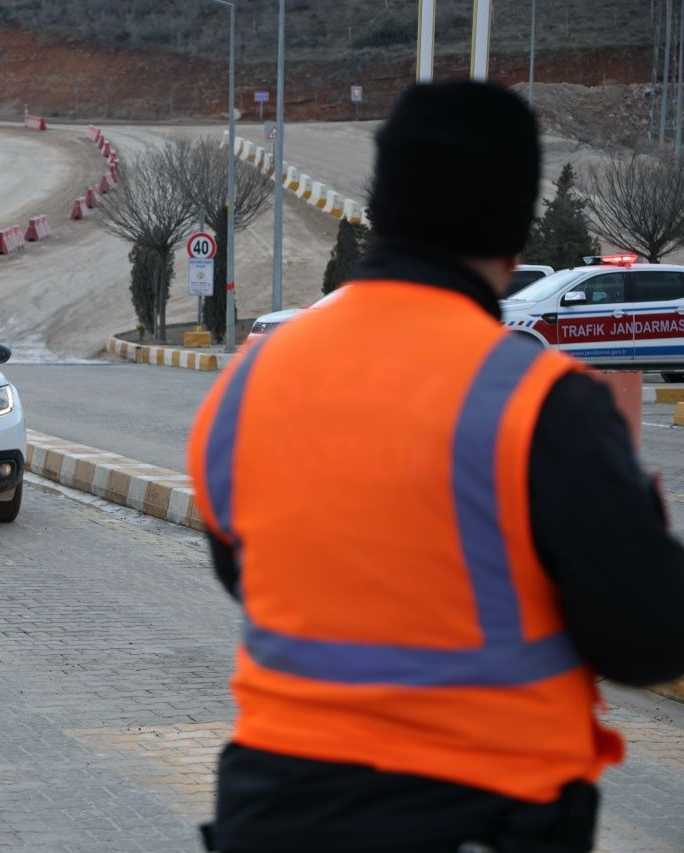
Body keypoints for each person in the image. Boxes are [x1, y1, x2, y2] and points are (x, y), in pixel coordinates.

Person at [187, 81, 684, 853]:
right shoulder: (537, 402)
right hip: (478, 815)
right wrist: (626, 482)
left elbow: (246, 571)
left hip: (273, 810)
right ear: (517, 227)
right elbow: (646, 637)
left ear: (380, 207)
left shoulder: (250, 380)